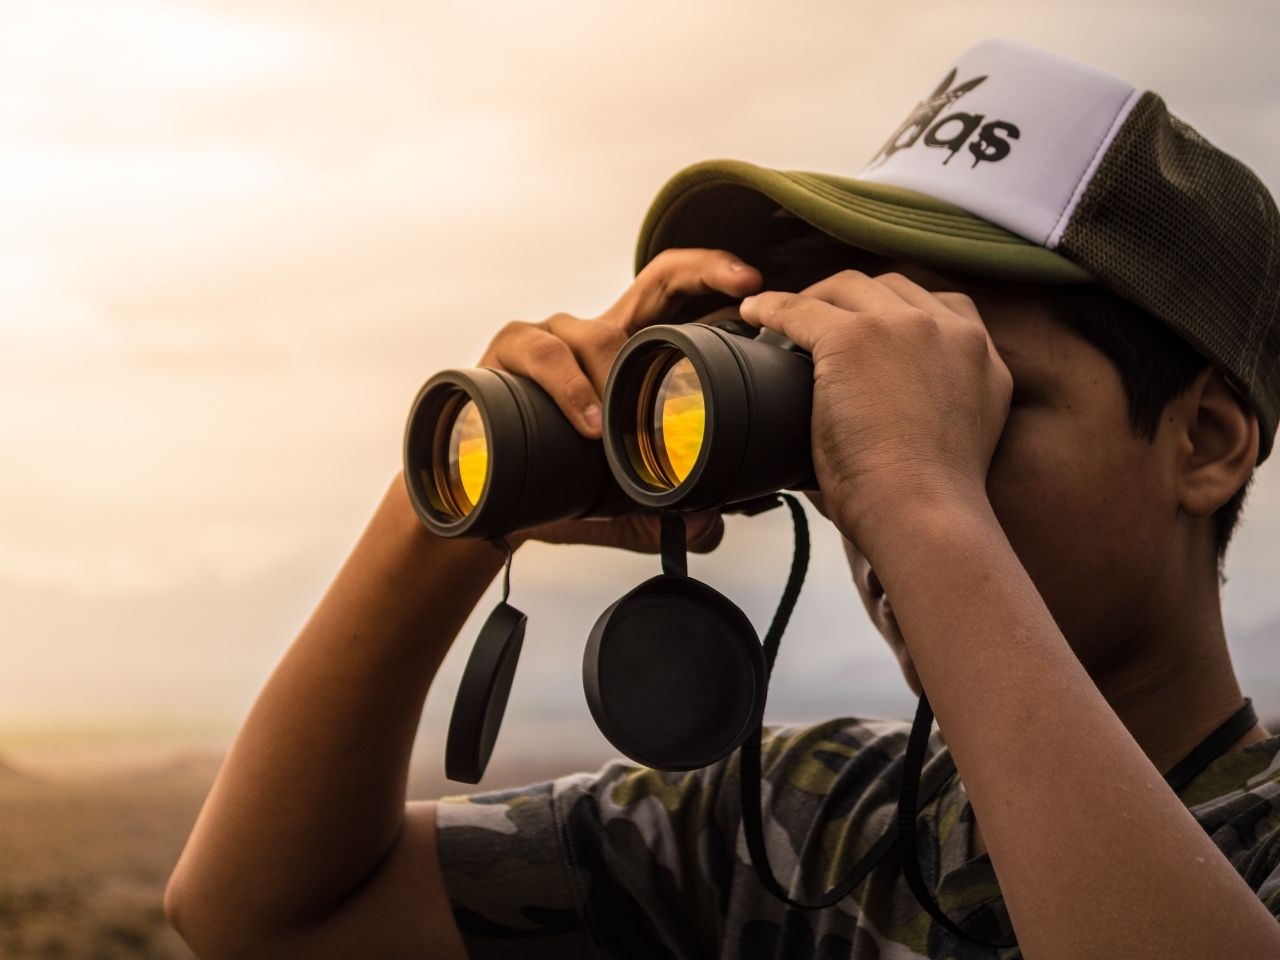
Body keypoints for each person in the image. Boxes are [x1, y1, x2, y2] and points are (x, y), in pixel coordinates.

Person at [164, 38, 1280, 959]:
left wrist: (918, 497)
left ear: (1206, 442)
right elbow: (268, 915)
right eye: (849, 388)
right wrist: (454, 502)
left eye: (966, 385)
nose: (863, 463)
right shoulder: (803, 828)